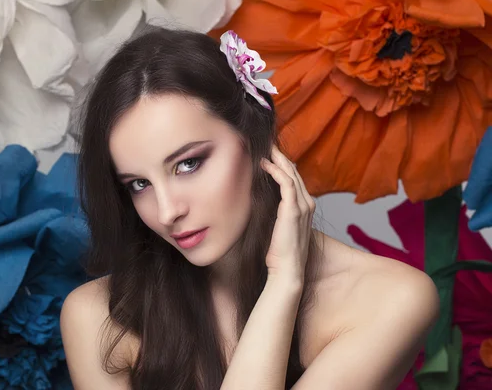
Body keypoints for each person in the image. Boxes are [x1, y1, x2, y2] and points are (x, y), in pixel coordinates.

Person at [60, 26, 440, 390]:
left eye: (188, 164)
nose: (166, 212)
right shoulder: (97, 316)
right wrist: (284, 282)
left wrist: (284, 282)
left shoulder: (390, 298)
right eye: (139, 184)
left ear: (255, 137)